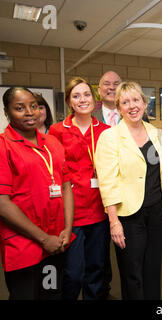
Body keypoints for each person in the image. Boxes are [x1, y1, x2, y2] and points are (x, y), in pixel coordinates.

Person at [0, 87, 74, 300]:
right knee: (26, 295)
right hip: (24, 245)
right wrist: (43, 239)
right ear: (7, 112)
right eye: (19, 108)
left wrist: (66, 229)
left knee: (52, 293)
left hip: (57, 241)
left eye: (33, 106)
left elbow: (66, 186)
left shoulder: (53, 144)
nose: (30, 112)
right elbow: (0, 205)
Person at [95, 81, 162, 300]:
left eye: (136, 100)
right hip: (128, 216)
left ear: (145, 104)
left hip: (154, 212)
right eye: (125, 102)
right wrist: (113, 221)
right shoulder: (110, 137)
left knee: (153, 270)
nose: (132, 106)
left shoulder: (155, 133)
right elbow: (107, 182)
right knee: (132, 273)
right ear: (118, 108)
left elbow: (159, 172)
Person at [48, 77, 110, 300]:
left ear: (95, 99)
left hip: (98, 210)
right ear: (68, 102)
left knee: (96, 269)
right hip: (70, 213)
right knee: (73, 273)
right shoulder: (56, 131)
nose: (82, 99)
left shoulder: (105, 131)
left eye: (86, 94)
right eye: (76, 96)